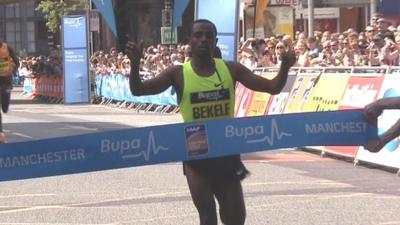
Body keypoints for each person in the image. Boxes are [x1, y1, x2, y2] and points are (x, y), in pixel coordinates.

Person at [126, 19, 295, 225]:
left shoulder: (232, 69)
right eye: (198, 35)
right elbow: (139, 90)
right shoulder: (177, 74)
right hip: (196, 152)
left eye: (209, 35)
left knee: (235, 218)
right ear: (189, 40)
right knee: (207, 215)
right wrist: (135, 65)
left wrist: (285, 67)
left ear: (216, 40)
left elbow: (272, 87)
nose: (204, 39)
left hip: (226, 152)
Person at [0, 38, 19, 143]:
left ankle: (6, 94)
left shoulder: (7, 48)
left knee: (5, 108)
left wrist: (14, 65)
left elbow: (17, 62)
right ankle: (0, 132)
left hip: (5, 79)